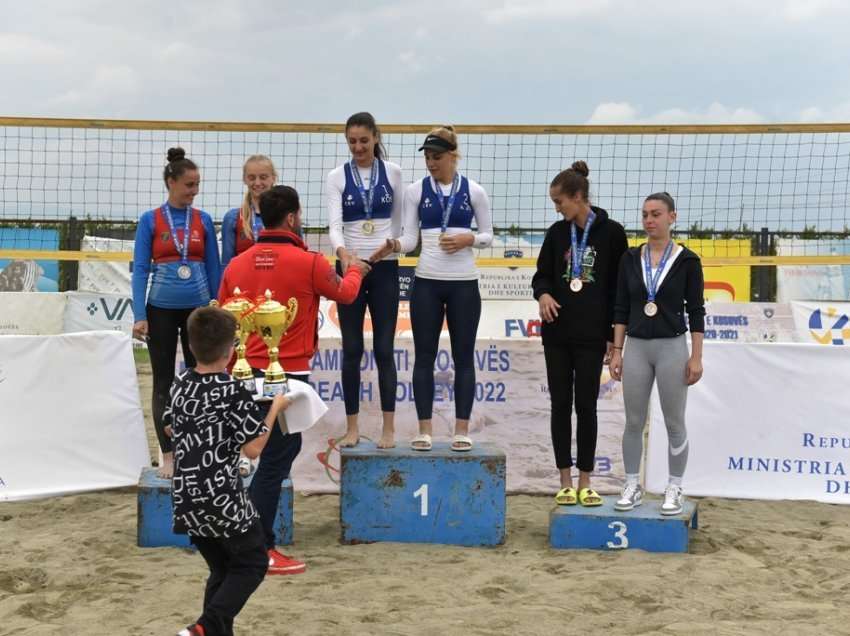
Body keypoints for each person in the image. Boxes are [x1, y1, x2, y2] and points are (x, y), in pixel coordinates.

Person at [219, 184, 369, 574]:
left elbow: (223, 317)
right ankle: (257, 547)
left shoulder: (237, 264)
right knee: (274, 461)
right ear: (292, 218)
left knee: (258, 458)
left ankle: (243, 542)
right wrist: (355, 269)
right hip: (287, 378)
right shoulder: (310, 261)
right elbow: (347, 295)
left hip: (243, 372)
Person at [168, 305, 292, 636]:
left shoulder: (181, 382)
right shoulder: (232, 391)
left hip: (187, 495)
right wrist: (275, 409)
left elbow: (170, 428)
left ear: (191, 346)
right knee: (252, 564)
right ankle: (204, 628)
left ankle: (211, 630)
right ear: (230, 350)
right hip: (221, 496)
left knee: (222, 570)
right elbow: (253, 448)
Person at [532, 161, 628, 507]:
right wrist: (543, 294)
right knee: (560, 405)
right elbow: (541, 276)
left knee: (586, 407)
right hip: (557, 334)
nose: (557, 209)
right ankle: (564, 480)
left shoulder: (613, 233)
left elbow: (620, 289)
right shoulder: (557, 234)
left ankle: (586, 481)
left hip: (592, 335)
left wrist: (613, 338)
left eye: (560, 202)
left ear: (577, 196)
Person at [397, 126, 493, 452]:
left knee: (463, 358)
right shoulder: (415, 191)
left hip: (464, 284)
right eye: (426, 157)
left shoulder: (474, 191)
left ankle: (461, 430)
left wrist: (470, 238)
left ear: (452, 155)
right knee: (423, 357)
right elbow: (410, 240)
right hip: (426, 282)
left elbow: (488, 236)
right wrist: (391, 244)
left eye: (436, 157)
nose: (431, 163)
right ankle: (424, 430)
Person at [609, 192, 705, 515]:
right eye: (645, 215)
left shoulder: (688, 261)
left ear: (672, 217)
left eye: (656, 214)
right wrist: (617, 350)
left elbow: (696, 311)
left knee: (675, 422)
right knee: (634, 420)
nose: (650, 221)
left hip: (672, 348)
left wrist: (696, 356)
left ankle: (674, 486)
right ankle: (632, 484)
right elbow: (621, 306)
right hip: (636, 346)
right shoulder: (629, 259)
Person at [131, 147, 221, 479]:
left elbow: (214, 266)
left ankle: (202, 449)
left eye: (197, 185)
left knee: (205, 380)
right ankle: (168, 456)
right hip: (160, 312)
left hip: (198, 312)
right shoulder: (150, 220)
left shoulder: (203, 220)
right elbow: (140, 270)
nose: (194, 191)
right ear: (171, 182)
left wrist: (217, 307)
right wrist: (139, 314)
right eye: (189, 185)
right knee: (164, 383)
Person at [326, 112, 405, 449]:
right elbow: (333, 224)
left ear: (375, 137)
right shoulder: (336, 177)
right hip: (351, 268)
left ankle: (389, 429)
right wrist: (344, 255)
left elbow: (400, 222)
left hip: (385, 267)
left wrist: (392, 245)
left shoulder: (393, 173)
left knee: (385, 350)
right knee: (352, 350)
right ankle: (353, 428)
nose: (358, 147)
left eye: (363, 140)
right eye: (352, 142)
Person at [220, 155, 278, 269]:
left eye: (263, 177)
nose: (257, 183)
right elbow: (227, 265)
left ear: (273, 178)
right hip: (244, 285)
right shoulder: (233, 218)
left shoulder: (285, 215)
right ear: (244, 179)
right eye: (252, 178)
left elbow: (298, 257)